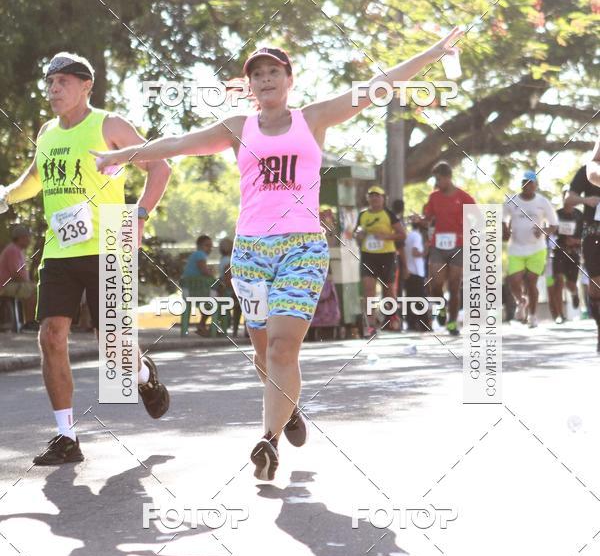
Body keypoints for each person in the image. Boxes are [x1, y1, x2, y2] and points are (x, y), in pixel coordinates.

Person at [95, 29, 464, 480]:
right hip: (250, 252)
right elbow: (176, 144)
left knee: (285, 349)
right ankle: (286, 410)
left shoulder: (313, 118)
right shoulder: (238, 127)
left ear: (289, 79)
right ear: (249, 85)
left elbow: (379, 85)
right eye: (257, 74)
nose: (265, 79)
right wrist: (122, 155)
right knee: (264, 354)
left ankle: (267, 441)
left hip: (301, 248)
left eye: (274, 71)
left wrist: (435, 52)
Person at [0, 52, 171, 465]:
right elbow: (35, 180)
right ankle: (66, 436)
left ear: (85, 86)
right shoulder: (46, 133)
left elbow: (159, 166)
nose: (53, 89)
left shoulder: (108, 125)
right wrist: (5, 194)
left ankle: (144, 377)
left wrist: (141, 215)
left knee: (113, 350)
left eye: (62, 81)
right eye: (49, 82)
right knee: (51, 336)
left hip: (108, 243)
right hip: (60, 250)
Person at [422, 162, 475, 336]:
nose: (437, 183)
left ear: (448, 178)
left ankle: (452, 323)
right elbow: (427, 218)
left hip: (459, 245)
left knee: (454, 285)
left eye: (439, 179)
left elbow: (478, 218)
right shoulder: (434, 197)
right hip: (438, 244)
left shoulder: (464, 197)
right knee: (435, 283)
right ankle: (441, 305)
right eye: (435, 179)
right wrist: (419, 219)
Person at [503, 170, 558, 328]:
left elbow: (553, 225)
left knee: (531, 282)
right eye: (524, 182)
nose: (526, 185)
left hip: (536, 248)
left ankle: (533, 316)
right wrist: (505, 229)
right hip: (516, 248)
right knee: (514, 280)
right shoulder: (512, 201)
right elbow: (502, 219)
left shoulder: (543, 202)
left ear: (535, 185)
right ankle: (521, 301)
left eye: (530, 182)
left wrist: (543, 231)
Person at [354, 186, 405, 336]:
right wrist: (359, 235)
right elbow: (356, 234)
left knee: (389, 289)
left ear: (383, 199)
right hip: (368, 255)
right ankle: (370, 324)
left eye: (378, 196)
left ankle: (393, 318)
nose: (374, 198)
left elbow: (402, 234)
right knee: (369, 289)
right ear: (367, 198)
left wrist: (386, 237)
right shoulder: (362, 215)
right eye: (371, 196)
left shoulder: (388, 214)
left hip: (387, 256)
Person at [567, 133, 600, 350]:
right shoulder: (589, 168)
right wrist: (585, 199)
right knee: (596, 288)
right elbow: (568, 200)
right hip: (593, 234)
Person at [551, 187, 583, 322]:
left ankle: (575, 293)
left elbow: (586, 235)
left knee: (570, 284)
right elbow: (551, 230)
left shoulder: (580, 215)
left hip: (574, 253)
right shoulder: (556, 214)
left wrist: (575, 241)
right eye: (566, 196)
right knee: (558, 281)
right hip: (559, 252)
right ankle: (559, 315)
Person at [0, 225, 38, 329]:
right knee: (33, 290)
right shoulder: (13, 250)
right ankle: (29, 322)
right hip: (5, 286)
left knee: (33, 288)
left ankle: (31, 320)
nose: (29, 240)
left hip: (11, 284)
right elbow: (15, 273)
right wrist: (28, 283)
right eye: (28, 237)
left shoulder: (18, 250)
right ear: (21, 238)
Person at [181, 234, 214, 336]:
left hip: (190, 291)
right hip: (196, 291)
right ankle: (203, 325)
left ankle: (202, 325)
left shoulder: (194, 255)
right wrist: (211, 272)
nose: (210, 249)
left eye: (211, 246)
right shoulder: (200, 254)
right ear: (199, 246)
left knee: (212, 300)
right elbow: (204, 271)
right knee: (217, 299)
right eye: (207, 245)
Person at [404, 217, 428, 331]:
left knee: (411, 298)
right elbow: (415, 252)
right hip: (417, 272)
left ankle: (411, 323)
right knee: (421, 299)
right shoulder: (417, 236)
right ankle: (424, 324)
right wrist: (425, 252)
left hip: (409, 271)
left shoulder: (409, 236)